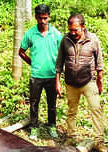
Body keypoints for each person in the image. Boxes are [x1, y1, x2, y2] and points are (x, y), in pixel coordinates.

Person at [55, 14, 107, 152]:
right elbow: (60, 61)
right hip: (71, 83)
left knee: (96, 110)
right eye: (70, 30)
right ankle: (71, 137)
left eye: (76, 30)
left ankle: (99, 142)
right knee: (71, 110)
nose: (73, 33)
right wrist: (57, 82)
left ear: (83, 27)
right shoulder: (65, 40)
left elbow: (99, 62)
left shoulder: (93, 39)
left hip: (89, 82)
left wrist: (100, 81)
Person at [19, 4, 62, 140]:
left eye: (45, 18)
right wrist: (32, 63)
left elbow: (62, 54)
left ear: (49, 17)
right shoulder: (30, 34)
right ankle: (34, 127)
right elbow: (21, 52)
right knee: (34, 103)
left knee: (52, 104)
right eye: (39, 18)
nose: (42, 21)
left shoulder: (56, 34)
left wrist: (59, 73)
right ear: (35, 17)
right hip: (36, 76)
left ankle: (52, 126)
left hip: (52, 75)